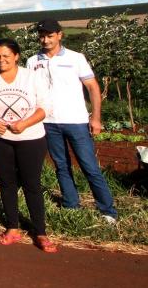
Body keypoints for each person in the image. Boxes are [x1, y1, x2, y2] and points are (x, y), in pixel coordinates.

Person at [27, 18, 119, 224]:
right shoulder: (33, 61)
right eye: (42, 36)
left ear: (60, 35)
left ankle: (107, 210)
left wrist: (96, 118)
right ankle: (71, 205)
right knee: (61, 165)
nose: (45, 40)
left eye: (50, 35)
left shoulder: (76, 58)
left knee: (89, 166)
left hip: (75, 121)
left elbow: (93, 88)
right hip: (48, 123)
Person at [0, 38, 57, 252]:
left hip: (30, 139)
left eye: (6, 56)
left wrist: (25, 124)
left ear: (17, 56)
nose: (1, 60)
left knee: (32, 185)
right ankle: (12, 227)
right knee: (7, 183)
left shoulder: (31, 77)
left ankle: (40, 232)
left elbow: (45, 107)